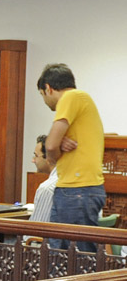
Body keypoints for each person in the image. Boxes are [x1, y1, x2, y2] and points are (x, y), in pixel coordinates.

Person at [37, 63, 104, 252]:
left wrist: (54, 150)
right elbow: (55, 142)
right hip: (74, 188)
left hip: (78, 190)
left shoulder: (71, 97)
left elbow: (50, 146)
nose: (44, 101)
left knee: (76, 259)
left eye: (42, 95)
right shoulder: (82, 101)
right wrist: (59, 142)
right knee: (60, 256)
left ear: (48, 88)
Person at [29, 135, 57, 225]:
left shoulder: (47, 189)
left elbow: (36, 231)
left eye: (36, 156)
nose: (33, 160)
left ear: (48, 158)